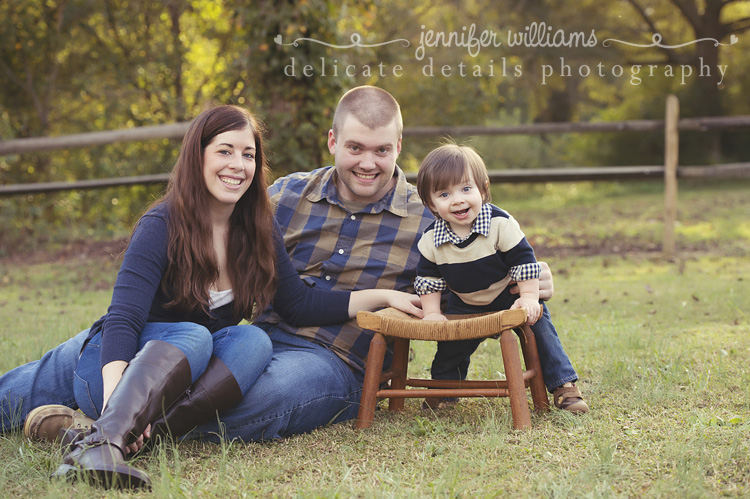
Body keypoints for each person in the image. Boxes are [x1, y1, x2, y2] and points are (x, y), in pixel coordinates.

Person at [13, 86, 563, 449]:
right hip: (247, 338)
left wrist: (532, 298)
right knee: (149, 359)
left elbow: (499, 262)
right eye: (354, 147)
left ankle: (102, 431)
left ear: (399, 146)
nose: (367, 162)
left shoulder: (433, 215)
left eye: (381, 150)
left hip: (333, 358)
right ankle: (106, 420)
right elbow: (288, 297)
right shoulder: (282, 195)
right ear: (333, 141)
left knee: (253, 403)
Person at [4, 104, 420, 489]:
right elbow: (123, 321)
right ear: (198, 156)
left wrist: (381, 295)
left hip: (173, 381)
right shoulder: (163, 222)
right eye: (225, 151)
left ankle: (90, 434)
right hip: (114, 367)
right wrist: (119, 410)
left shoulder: (256, 224)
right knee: (192, 335)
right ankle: (106, 438)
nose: (237, 165)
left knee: (252, 340)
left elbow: (298, 303)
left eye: (248, 154)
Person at [413, 143, 588, 413]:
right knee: (450, 348)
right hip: (464, 301)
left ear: (483, 189)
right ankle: (444, 390)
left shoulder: (500, 223)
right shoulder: (430, 241)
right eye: (445, 194)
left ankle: (563, 385)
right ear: (431, 204)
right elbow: (429, 280)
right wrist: (433, 313)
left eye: (466, 189)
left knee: (540, 328)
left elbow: (523, 261)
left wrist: (529, 298)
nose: (458, 199)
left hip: (507, 295)